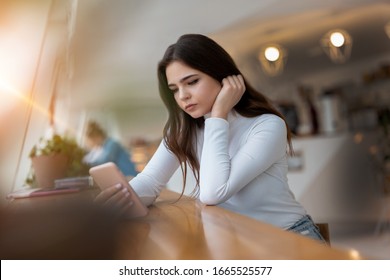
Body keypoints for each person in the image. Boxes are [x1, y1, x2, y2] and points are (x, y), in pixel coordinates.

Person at [95, 34, 326, 243]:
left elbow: (213, 192)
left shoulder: (266, 125)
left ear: (223, 77)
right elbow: (150, 182)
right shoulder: (183, 130)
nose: (183, 96)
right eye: (174, 89)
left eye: (192, 82)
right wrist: (120, 200)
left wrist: (218, 115)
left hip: (289, 237)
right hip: (240, 242)